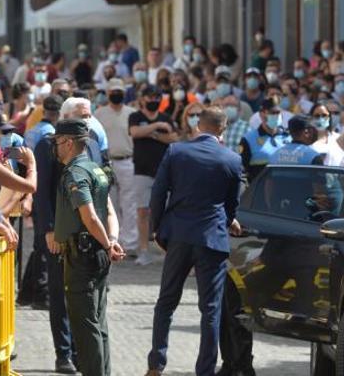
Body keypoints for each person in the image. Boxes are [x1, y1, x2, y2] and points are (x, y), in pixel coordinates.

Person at [146, 107, 242, 376]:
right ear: (223, 130)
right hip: (212, 238)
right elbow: (232, 204)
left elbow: (158, 193)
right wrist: (226, 220)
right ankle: (205, 370)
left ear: (198, 125)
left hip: (178, 233)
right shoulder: (232, 159)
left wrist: (158, 229)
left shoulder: (177, 151)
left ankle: (156, 364)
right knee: (210, 309)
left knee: (166, 301)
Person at [52, 119, 126, 376]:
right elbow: (110, 213)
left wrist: (108, 243)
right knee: (98, 322)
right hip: (98, 253)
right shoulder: (96, 169)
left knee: (85, 327)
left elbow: (91, 216)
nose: (56, 148)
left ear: (69, 143)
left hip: (81, 257)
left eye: (58, 142)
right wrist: (112, 242)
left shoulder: (76, 173)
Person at [129, 86, 178, 266]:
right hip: (141, 170)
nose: (153, 100)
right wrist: (157, 128)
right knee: (142, 211)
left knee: (166, 211)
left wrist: (150, 133)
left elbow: (172, 138)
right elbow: (135, 132)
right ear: (143, 99)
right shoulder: (136, 117)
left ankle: (167, 250)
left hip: (164, 172)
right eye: (150, 96)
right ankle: (143, 250)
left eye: (157, 96)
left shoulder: (166, 118)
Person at [94, 79, 138, 253]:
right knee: (109, 203)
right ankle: (112, 240)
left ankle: (131, 243)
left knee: (129, 204)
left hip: (128, 160)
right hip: (107, 162)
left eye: (119, 91)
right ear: (107, 93)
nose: (116, 94)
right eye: (113, 91)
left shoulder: (132, 113)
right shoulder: (99, 113)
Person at [238, 97, 289, 181]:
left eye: (278, 112)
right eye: (273, 112)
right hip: (260, 191)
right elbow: (242, 170)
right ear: (261, 114)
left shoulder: (288, 137)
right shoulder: (248, 139)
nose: (277, 116)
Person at [309, 103, 344, 167]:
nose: (321, 119)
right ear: (311, 119)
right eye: (317, 116)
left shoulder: (339, 139)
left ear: (329, 118)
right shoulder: (305, 139)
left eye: (324, 115)